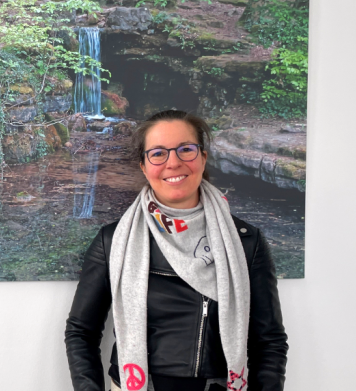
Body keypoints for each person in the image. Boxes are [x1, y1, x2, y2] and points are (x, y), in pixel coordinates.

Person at [65, 110, 288, 391]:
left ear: (203, 158)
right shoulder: (112, 241)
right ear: (144, 166)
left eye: (186, 149)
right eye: (158, 153)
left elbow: (269, 341)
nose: (174, 163)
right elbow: (80, 333)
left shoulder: (246, 242)